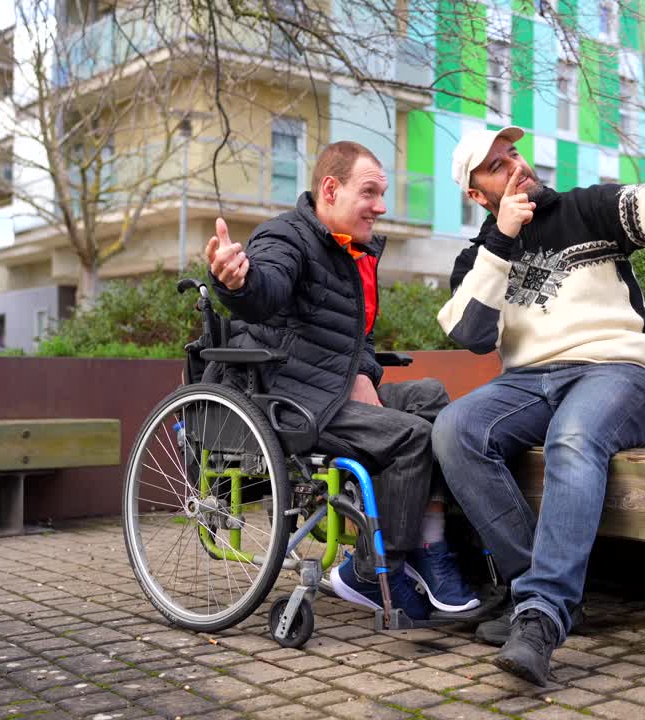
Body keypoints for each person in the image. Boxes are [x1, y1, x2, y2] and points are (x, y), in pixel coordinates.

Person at [431, 102, 645, 683]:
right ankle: (539, 593)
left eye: (514, 155)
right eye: (497, 168)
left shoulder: (584, 209)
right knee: (454, 428)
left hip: (618, 371)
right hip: (529, 381)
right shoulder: (476, 259)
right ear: (478, 196)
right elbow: (471, 335)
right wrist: (502, 242)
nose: (516, 167)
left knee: (572, 438)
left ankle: (542, 618)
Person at [205, 140, 479, 620]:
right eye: (369, 192)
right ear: (330, 190)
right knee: (411, 437)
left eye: (383, 193)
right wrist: (237, 283)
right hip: (286, 398)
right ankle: (371, 573)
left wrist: (363, 374)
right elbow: (264, 290)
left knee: (432, 398)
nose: (381, 206)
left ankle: (427, 542)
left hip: (331, 388)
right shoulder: (285, 238)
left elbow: (358, 342)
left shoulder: (356, 252)